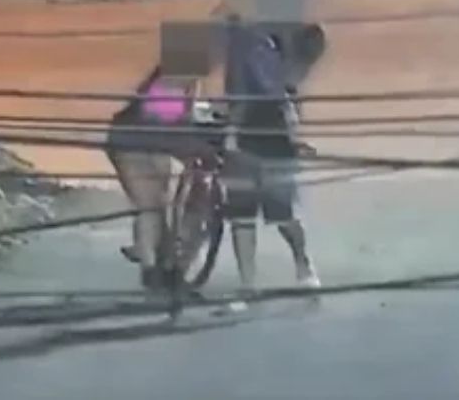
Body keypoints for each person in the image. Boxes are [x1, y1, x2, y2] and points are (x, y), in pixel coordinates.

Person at [220, 17, 327, 305]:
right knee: (243, 215)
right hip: (251, 135)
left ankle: (302, 264)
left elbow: (275, 97)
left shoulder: (260, 45)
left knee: (279, 213)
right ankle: (248, 283)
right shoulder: (253, 43)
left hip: (267, 137)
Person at [105, 66, 218, 291]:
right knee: (151, 207)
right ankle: (153, 269)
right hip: (134, 146)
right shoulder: (169, 85)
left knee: (158, 207)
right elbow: (163, 129)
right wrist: (199, 149)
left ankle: (158, 265)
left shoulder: (178, 84)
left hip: (139, 142)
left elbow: (179, 124)